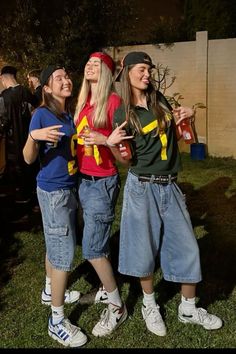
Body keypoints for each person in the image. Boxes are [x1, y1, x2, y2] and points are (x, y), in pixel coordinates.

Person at [113, 51, 222, 336]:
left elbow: (174, 136)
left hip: (169, 184)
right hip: (142, 186)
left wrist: (188, 116)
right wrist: (113, 145)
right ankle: (150, 305)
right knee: (143, 248)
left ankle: (188, 308)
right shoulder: (122, 112)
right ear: (127, 73)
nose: (147, 74)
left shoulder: (158, 99)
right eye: (141, 69)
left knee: (187, 245)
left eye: (149, 69)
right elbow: (125, 158)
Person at [23, 65, 87, 348]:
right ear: (47, 88)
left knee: (55, 244)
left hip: (68, 188)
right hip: (54, 193)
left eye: (66, 75)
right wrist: (33, 138)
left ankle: (50, 291)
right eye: (58, 78)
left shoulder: (67, 114)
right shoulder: (41, 114)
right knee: (63, 254)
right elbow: (27, 158)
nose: (66, 80)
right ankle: (57, 321)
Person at [74, 52, 132, 337]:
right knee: (97, 242)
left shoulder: (114, 103)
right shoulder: (83, 104)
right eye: (88, 62)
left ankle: (118, 307)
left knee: (93, 249)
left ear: (107, 73)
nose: (90, 65)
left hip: (102, 182)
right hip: (82, 182)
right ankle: (103, 288)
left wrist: (105, 140)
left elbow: (125, 158)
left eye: (96, 64)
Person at [0, 65, 38, 203]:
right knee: (29, 166)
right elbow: (36, 105)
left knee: (15, 171)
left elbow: (3, 121)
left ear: (3, 79)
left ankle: (20, 198)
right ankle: (31, 196)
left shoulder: (3, 97)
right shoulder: (26, 92)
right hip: (29, 139)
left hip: (12, 143)